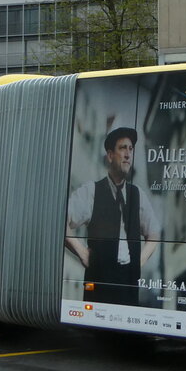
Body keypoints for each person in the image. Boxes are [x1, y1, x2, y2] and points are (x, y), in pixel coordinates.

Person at [65, 127, 161, 306]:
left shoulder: (137, 195)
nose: (128, 154)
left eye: (131, 149)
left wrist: (138, 262)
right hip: (99, 283)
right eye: (123, 148)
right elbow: (61, 220)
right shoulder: (91, 191)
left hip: (128, 286)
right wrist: (82, 253)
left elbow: (154, 233)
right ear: (110, 156)